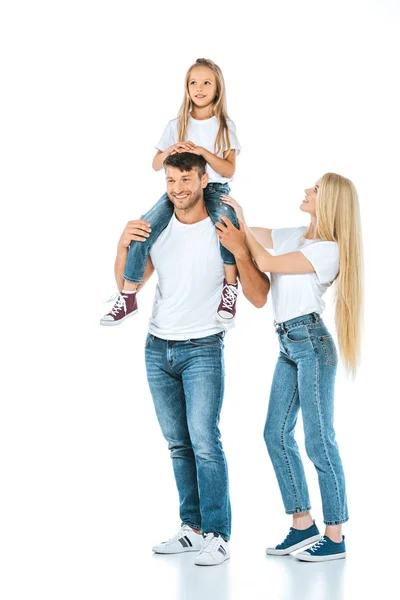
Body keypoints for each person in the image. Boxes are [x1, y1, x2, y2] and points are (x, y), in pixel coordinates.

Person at [113, 152, 269, 566]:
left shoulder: (223, 224)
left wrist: (240, 245)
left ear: (203, 181)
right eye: (170, 181)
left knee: (204, 442)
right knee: (178, 444)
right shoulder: (159, 229)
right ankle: (192, 528)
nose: (178, 189)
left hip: (202, 346)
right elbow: (129, 284)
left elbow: (258, 295)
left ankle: (217, 534)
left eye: (186, 179)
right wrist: (121, 243)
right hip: (157, 347)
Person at [215, 173, 363, 562]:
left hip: (311, 343)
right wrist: (237, 215)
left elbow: (263, 260)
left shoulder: (328, 249)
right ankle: (302, 525)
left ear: (328, 201)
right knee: (275, 434)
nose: (306, 191)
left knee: (319, 440)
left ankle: (335, 535)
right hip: (287, 343)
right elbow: (252, 234)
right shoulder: (295, 234)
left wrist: (241, 239)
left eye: (314, 189)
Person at [100, 58, 241, 326]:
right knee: (145, 228)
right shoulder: (176, 125)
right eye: (193, 83)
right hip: (179, 190)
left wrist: (202, 151)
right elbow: (156, 164)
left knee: (227, 223)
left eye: (206, 82)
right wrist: (169, 151)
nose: (199, 88)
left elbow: (229, 169)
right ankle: (128, 296)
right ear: (187, 88)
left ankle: (230, 287)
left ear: (217, 89)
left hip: (212, 187)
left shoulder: (225, 126)